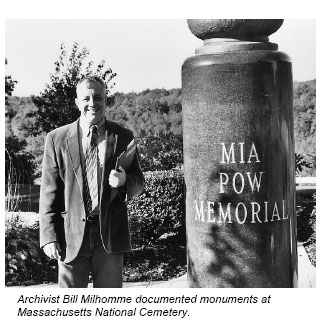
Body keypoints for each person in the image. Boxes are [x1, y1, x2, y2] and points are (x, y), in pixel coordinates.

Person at [39, 75, 144, 288]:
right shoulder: (56, 138)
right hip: (71, 235)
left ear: (106, 100)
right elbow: (49, 191)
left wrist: (125, 181)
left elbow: (139, 181)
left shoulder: (123, 136)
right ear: (77, 102)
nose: (92, 103)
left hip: (110, 235)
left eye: (98, 97)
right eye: (86, 98)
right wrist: (49, 236)